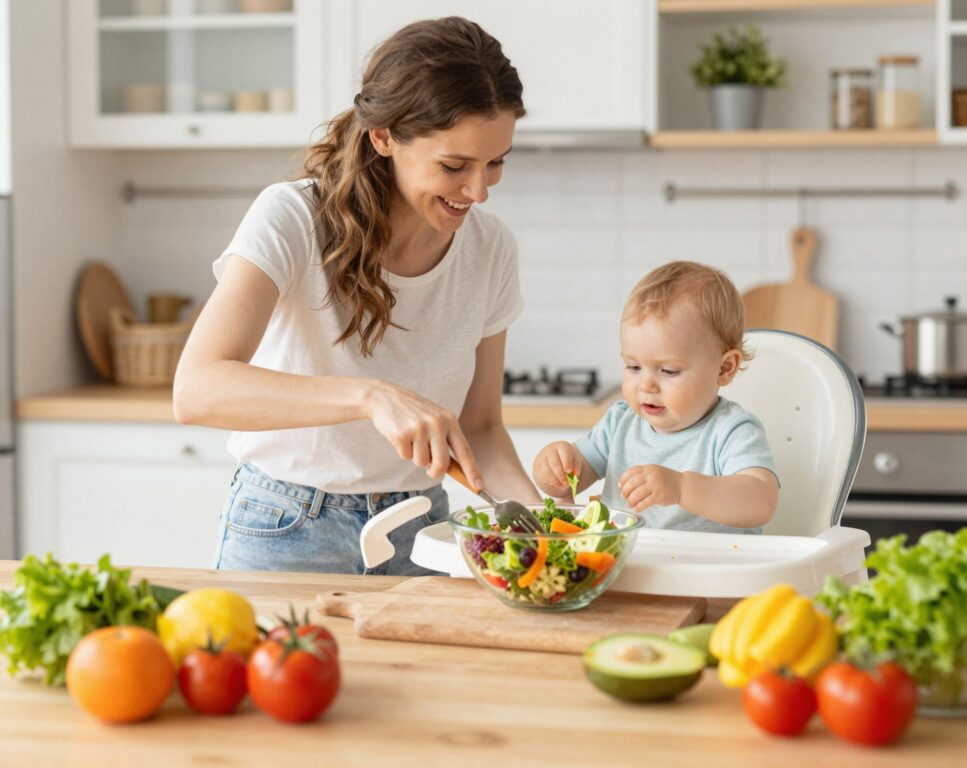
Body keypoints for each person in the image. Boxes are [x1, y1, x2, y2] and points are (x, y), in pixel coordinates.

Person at [173, 17, 540, 575]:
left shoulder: (490, 248)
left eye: (496, 162)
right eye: (454, 165)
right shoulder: (293, 217)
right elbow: (197, 389)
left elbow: (482, 428)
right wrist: (370, 397)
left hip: (424, 532)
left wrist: (547, 531)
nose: (479, 190)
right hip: (286, 527)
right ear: (384, 136)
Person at [532, 261, 779, 534]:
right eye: (634, 367)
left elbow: (761, 502)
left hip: (710, 571)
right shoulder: (620, 422)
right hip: (626, 565)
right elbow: (569, 482)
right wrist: (552, 469)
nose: (646, 385)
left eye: (669, 371)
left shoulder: (732, 431)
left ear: (724, 368)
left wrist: (682, 488)